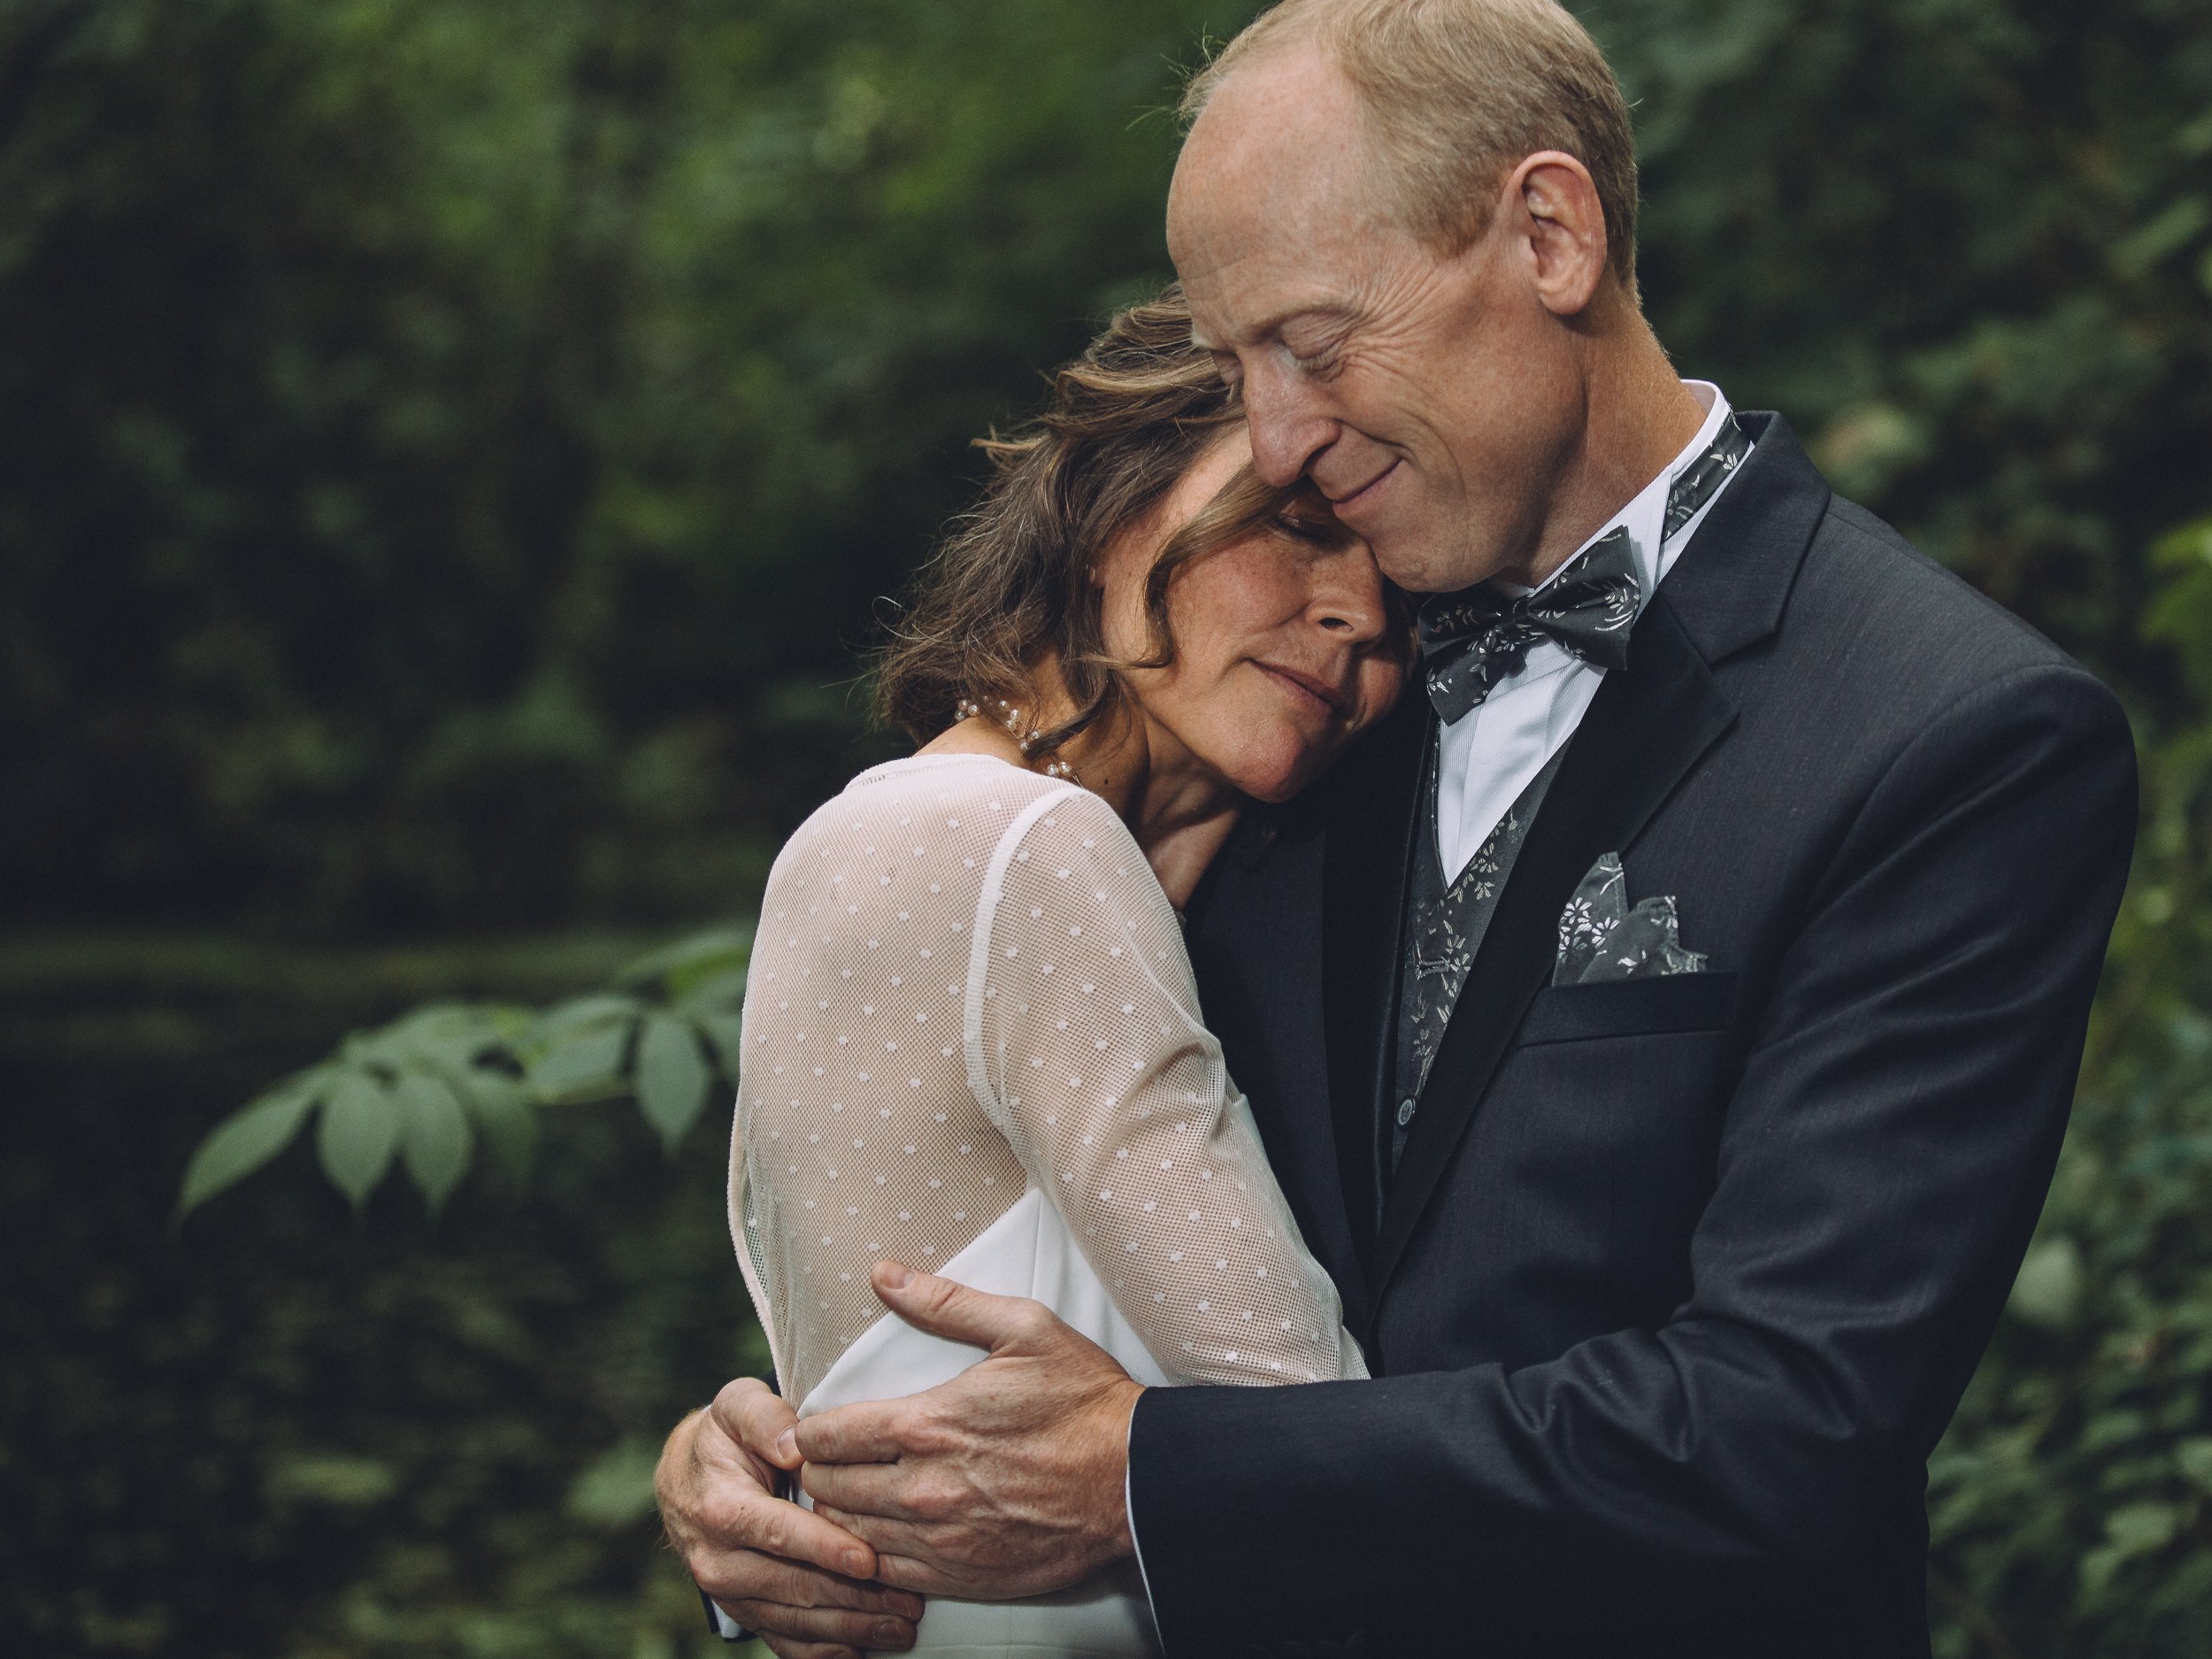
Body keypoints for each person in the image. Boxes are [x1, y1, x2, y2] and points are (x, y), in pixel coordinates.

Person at [660, 3, 2139, 1655]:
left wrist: (1154, 1485)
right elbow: (1042, 1192)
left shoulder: (1950, 733)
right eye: (1237, 371)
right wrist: (797, 1475)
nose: (1278, 436)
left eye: (1313, 339)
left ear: (1550, 235)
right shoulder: (1282, 712)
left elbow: (1784, 1431)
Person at [687, 289, 1406, 1655]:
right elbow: (1298, 1423)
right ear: (1111, 505)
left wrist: (734, 1475)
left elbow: (844, 1387)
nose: (1361, 614)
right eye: (1300, 526)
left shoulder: (875, 829)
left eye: (1404, 594)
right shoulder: (1029, 851)